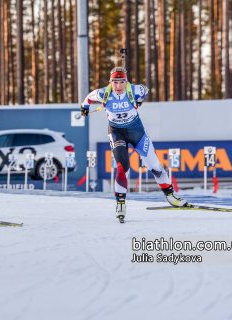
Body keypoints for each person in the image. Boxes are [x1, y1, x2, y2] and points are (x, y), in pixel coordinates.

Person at [80, 67, 187, 221]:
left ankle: (171, 196)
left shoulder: (134, 90)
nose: (118, 86)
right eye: (115, 82)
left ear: (126, 82)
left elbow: (146, 90)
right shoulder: (103, 93)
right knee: (123, 167)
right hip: (117, 132)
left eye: (121, 82)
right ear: (110, 83)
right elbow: (88, 98)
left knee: (155, 166)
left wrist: (139, 101)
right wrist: (84, 108)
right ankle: (120, 203)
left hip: (136, 131)